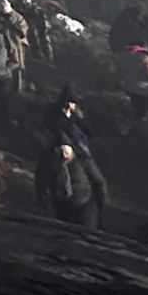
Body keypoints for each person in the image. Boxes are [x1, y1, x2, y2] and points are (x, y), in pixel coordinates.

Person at [39, 89, 108, 227]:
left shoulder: (75, 116)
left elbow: (84, 127)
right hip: (70, 203)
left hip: (77, 201)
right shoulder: (55, 116)